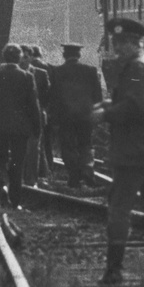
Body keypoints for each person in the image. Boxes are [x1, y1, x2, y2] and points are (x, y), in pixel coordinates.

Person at [91, 18, 144, 284]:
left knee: (119, 207)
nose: (116, 49)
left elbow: (134, 106)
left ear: (133, 43)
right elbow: (137, 100)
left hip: (135, 152)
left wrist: (104, 114)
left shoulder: (136, 68)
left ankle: (114, 271)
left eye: (120, 44)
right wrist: (109, 103)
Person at [0, 44, 41, 210]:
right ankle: (15, 201)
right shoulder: (27, 77)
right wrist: (37, 128)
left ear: (4, 56)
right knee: (17, 163)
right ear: (19, 57)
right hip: (20, 129)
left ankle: (2, 186)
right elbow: (33, 105)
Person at [49, 42, 103, 189]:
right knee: (86, 144)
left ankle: (74, 175)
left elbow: (52, 97)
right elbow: (98, 96)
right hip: (86, 116)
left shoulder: (56, 72)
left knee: (68, 146)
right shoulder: (90, 70)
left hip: (65, 116)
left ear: (64, 55)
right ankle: (87, 170)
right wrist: (96, 114)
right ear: (79, 55)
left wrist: (53, 117)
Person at [20, 45, 52, 184]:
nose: (23, 60)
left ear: (31, 57)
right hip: (18, 115)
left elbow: (47, 95)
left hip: (35, 115)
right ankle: (19, 177)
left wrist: (43, 110)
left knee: (34, 147)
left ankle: (32, 179)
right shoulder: (15, 72)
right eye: (21, 56)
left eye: (26, 57)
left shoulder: (40, 74)